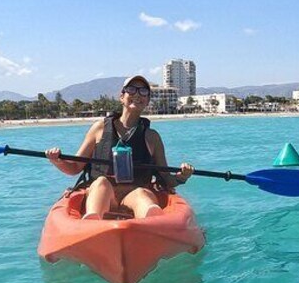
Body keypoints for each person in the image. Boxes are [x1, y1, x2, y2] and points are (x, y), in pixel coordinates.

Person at [45, 75, 194, 220]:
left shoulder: (152, 137)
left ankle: (152, 225)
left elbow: (166, 179)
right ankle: (93, 223)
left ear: (148, 100)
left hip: (134, 194)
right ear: (121, 97)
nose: (137, 94)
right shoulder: (99, 128)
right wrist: (57, 160)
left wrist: (182, 177)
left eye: (143, 91)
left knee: (142, 193)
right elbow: (75, 167)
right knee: (101, 183)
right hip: (104, 194)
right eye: (131, 89)